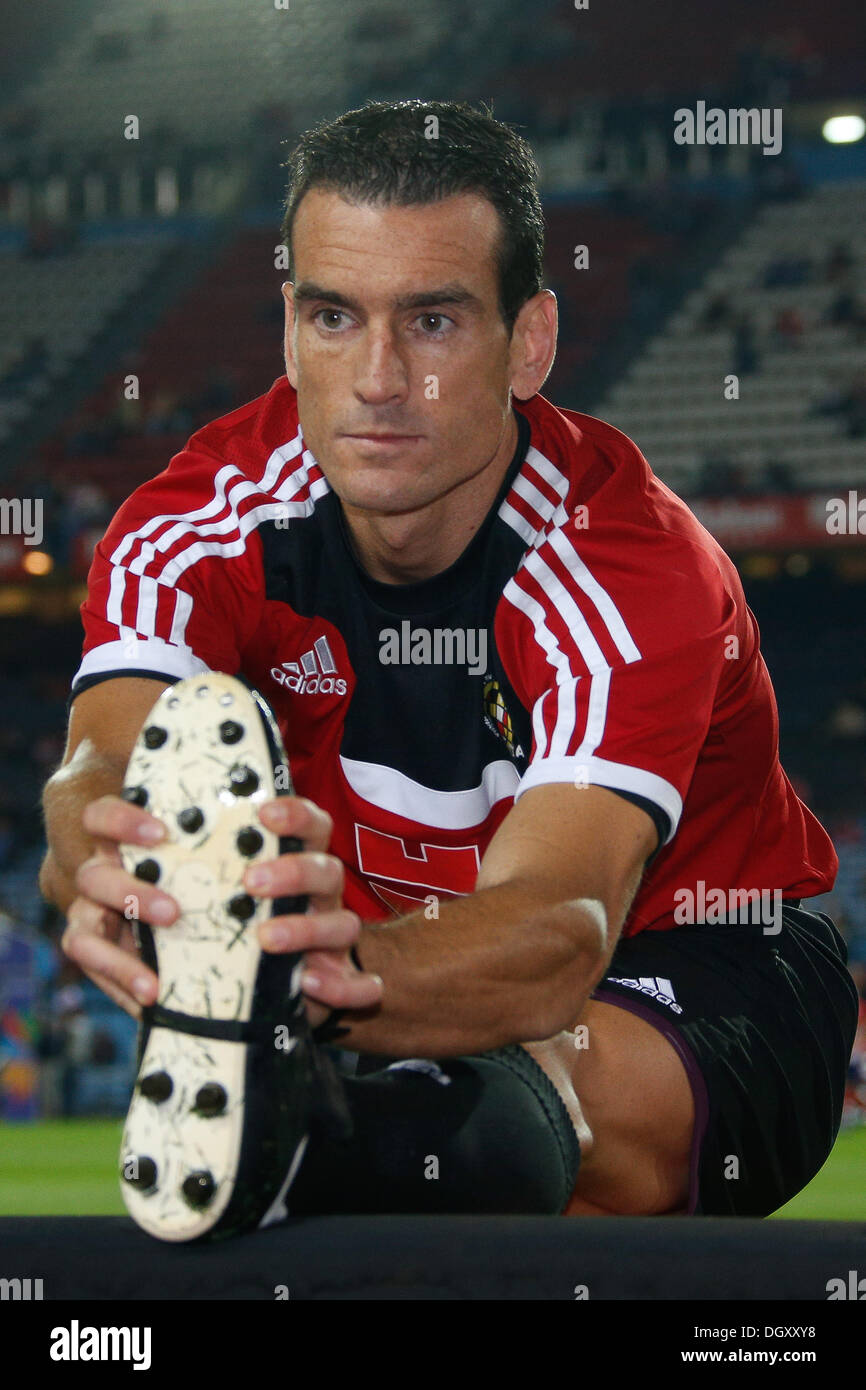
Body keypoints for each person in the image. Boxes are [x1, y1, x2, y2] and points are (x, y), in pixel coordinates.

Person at [41, 100, 858, 1225]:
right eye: (334, 317)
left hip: (694, 967)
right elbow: (103, 761)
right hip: (383, 998)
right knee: (424, 1130)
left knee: (515, 1114)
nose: (376, 379)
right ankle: (339, 1131)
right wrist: (109, 861)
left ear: (529, 341)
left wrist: (283, 979)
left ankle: (338, 1144)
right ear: (288, 328)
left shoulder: (626, 565)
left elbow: (554, 926)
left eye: (430, 321)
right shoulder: (194, 522)